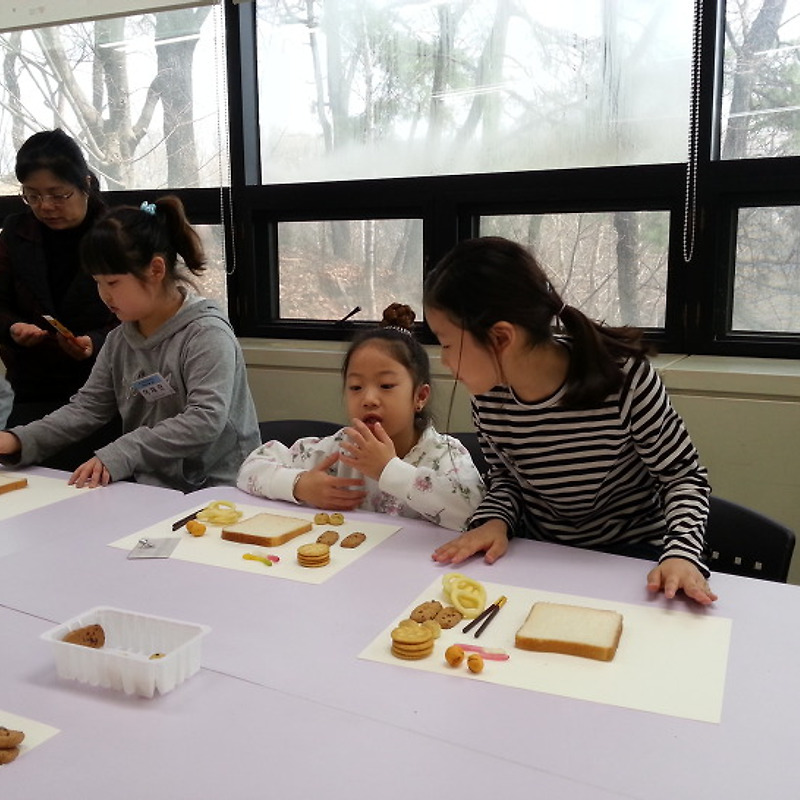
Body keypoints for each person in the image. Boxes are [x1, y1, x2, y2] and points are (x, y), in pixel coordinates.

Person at [423, 236, 716, 605]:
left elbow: (683, 477)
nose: (444, 361)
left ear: (500, 338)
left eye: (447, 344)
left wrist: (681, 554)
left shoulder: (624, 378)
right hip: (543, 556)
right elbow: (505, 480)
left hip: (635, 560)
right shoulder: (490, 396)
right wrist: (495, 520)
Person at [0, 196, 260, 492]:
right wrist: (19, 440)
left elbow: (205, 419)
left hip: (222, 490)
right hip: (153, 489)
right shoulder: (119, 340)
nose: (104, 295)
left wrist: (122, 452)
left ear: (156, 270)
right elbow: (87, 408)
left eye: (112, 283)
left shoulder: (206, 334)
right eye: (97, 282)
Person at [237, 303, 485, 531]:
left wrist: (389, 470)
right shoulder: (340, 449)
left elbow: (474, 511)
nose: (369, 399)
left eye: (386, 386)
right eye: (356, 387)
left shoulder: (444, 455)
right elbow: (250, 469)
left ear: (420, 396)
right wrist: (300, 484)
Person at [0, 129, 118, 417]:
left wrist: (97, 341)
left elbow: (144, 313)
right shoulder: (16, 233)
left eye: (58, 195)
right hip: (33, 386)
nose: (46, 207)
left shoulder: (118, 233)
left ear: (85, 185)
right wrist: (13, 327)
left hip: (108, 388)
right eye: (33, 196)